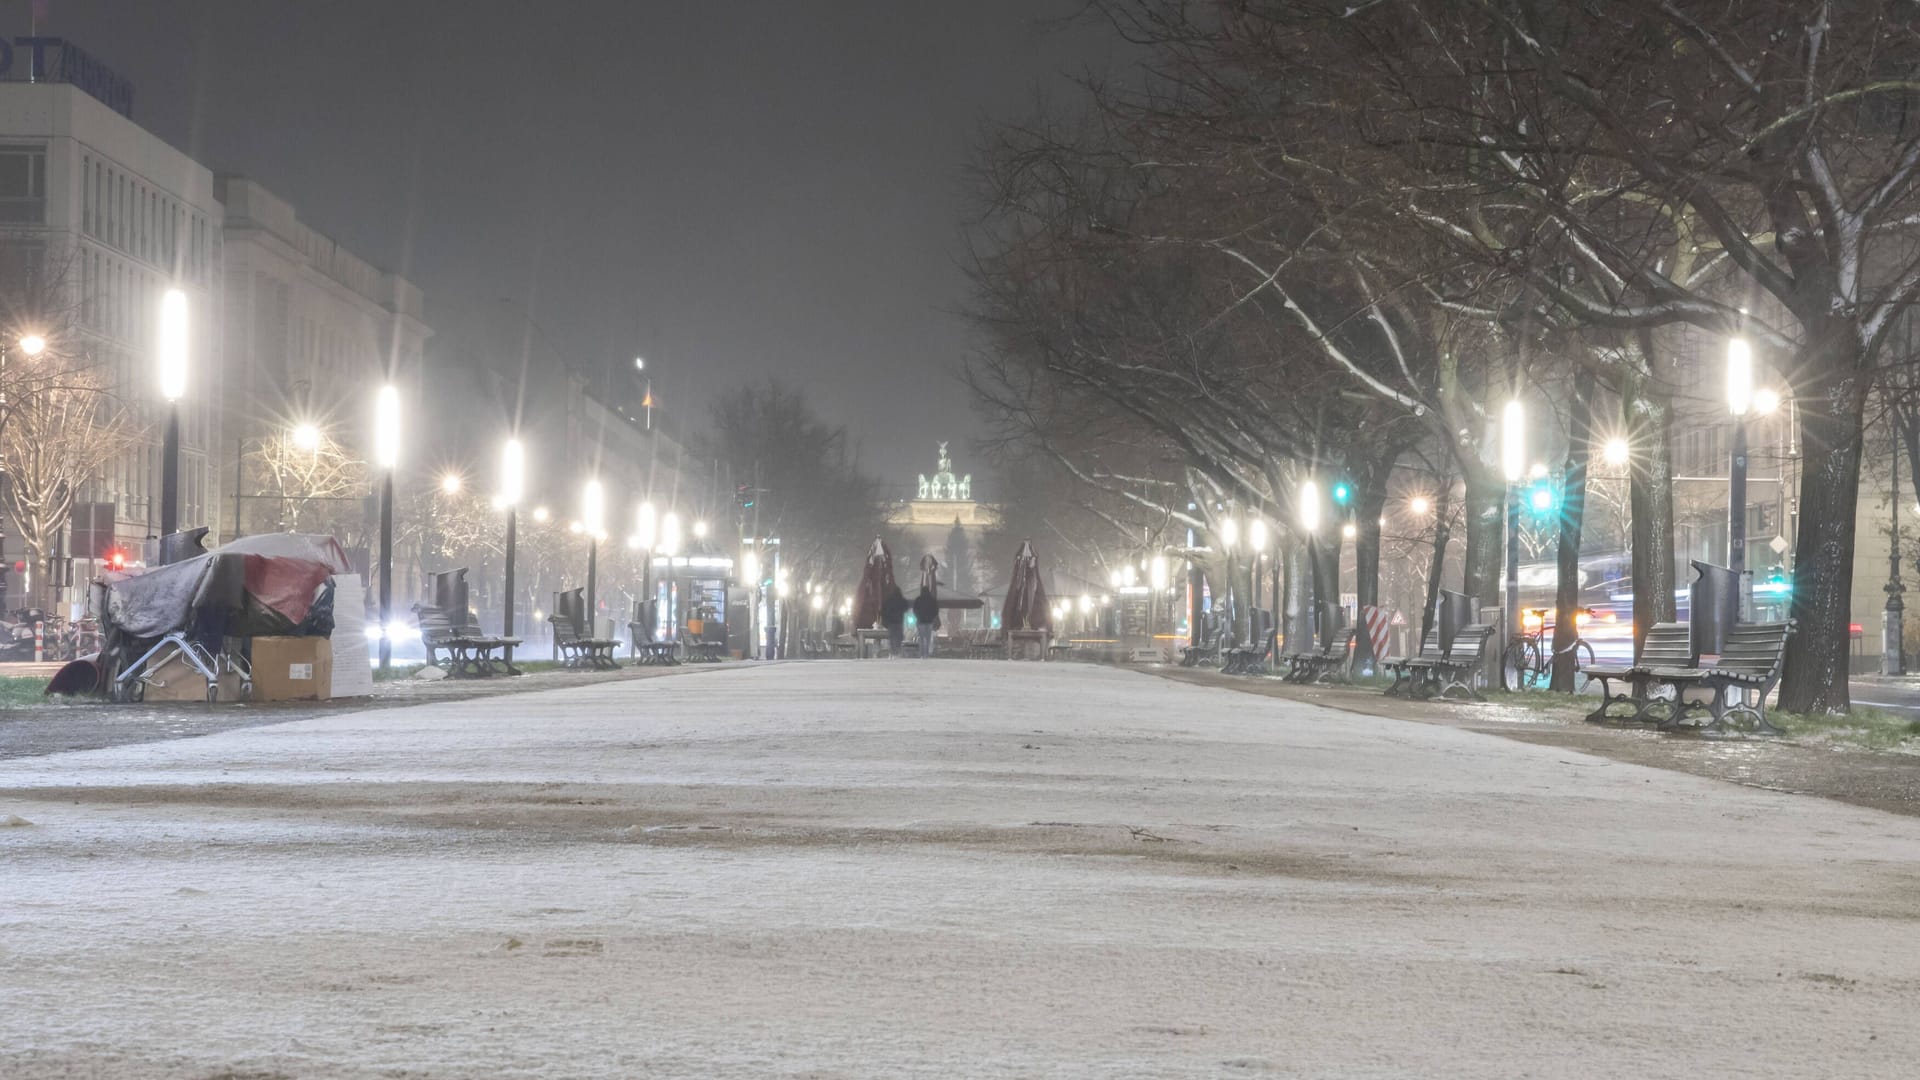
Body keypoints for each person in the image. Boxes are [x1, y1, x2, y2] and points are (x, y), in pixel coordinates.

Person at [879, 585, 910, 656]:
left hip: (891, 622)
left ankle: (893, 651)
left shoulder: (889, 600)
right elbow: (906, 607)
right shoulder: (901, 600)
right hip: (899, 621)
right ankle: (898, 650)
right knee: (899, 636)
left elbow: (883, 610)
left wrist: (885, 618)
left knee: (892, 636)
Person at [912, 588, 941, 658]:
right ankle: (926, 653)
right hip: (929, 621)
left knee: (921, 638)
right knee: (928, 638)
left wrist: (918, 616)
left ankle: (921, 654)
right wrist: (932, 617)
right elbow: (936, 610)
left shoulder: (918, 599)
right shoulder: (932, 600)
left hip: (920, 621)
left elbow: (914, 610)